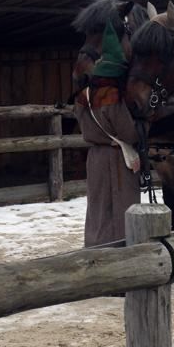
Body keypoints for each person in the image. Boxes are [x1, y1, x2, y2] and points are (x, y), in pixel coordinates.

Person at [74, 22, 141, 247]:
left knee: (98, 206)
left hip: (95, 157)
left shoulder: (82, 96)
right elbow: (128, 133)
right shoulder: (112, 96)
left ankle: (95, 244)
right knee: (122, 205)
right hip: (117, 158)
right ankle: (121, 246)